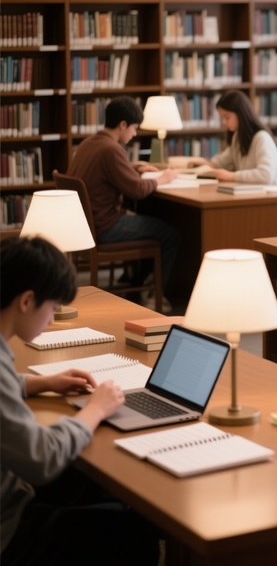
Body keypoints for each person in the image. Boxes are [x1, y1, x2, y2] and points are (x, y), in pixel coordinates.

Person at [0, 236, 160, 566]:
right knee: (137, 530)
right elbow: (42, 457)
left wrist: (40, 382)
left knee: (93, 485)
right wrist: (95, 410)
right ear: (27, 301)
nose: (50, 320)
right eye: (52, 308)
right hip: (9, 528)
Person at [68, 96, 179, 303]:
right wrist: (163, 179)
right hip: (106, 227)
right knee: (169, 234)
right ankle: (157, 294)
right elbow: (137, 190)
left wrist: (134, 167)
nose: (135, 134)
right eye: (134, 128)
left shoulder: (90, 143)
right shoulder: (111, 149)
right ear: (123, 125)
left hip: (87, 225)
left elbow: (111, 172)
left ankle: (133, 282)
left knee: (150, 224)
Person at [194, 90, 277, 185]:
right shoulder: (237, 138)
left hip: (274, 196)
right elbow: (218, 163)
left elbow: (266, 175)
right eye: (222, 118)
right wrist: (189, 167)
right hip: (254, 194)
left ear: (241, 114)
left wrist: (231, 176)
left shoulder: (261, 138)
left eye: (227, 117)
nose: (224, 122)